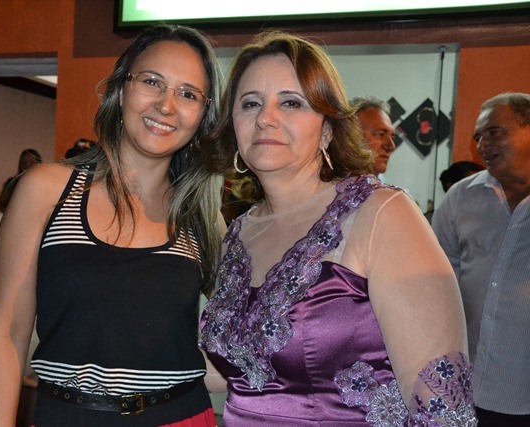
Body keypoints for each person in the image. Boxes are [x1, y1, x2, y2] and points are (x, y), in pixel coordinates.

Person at [199, 31, 476, 425]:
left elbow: (443, 410)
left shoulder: (379, 214)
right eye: (250, 103)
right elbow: (227, 369)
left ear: (327, 129)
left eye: (291, 102)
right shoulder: (239, 234)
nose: (265, 118)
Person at [0, 24, 224, 426]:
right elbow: (7, 333)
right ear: (121, 89)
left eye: (188, 94)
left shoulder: (200, 214)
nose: (166, 105)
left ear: (202, 114)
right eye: (152, 81)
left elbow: (247, 319)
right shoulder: (45, 190)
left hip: (182, 416)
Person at [432, 92, 530, 426]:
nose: (483, 145)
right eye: (478, 137)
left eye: (494, 132)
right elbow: (435, 279)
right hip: (463, 387)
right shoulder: (462, 197)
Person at [350, 96, 396, 179]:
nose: (392, 147)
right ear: (349, 138)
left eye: (392, 137)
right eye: (380, 134)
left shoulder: (382, 183)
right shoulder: (328, 184)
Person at [0, 148, 42, 213]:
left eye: (31, 162)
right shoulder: (12, 183)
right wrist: (12, 212)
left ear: (38, 163)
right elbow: (0, 203)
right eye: (24, 162)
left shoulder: (45, 183)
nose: (27, 165)